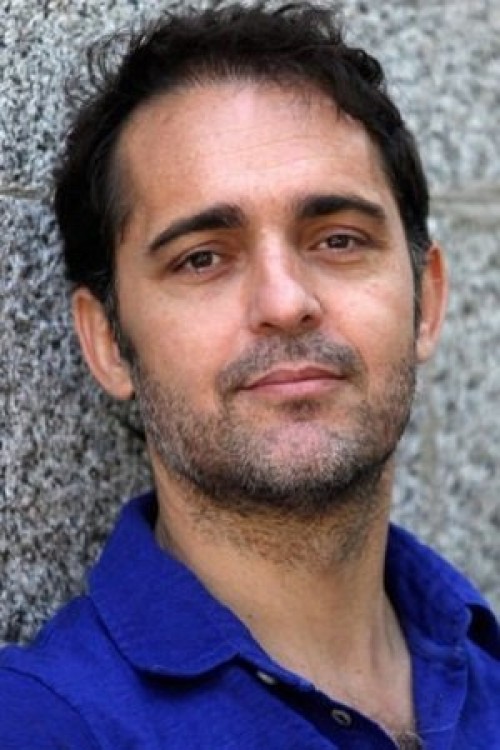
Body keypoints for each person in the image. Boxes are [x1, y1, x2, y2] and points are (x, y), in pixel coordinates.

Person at [1, 2, 499, 747]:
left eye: (338, 239)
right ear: (108, 342)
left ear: (425, 301)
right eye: (202, 257)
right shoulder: (40, 726)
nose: (285, 302)